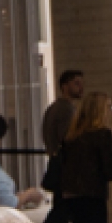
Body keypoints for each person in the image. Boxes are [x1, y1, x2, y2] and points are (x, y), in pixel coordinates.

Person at [51, 89, 112, 223]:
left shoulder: (71, 135)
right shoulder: (103, 134)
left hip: (71, 195)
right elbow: (110, 171)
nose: (111, 111)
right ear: (100, 111)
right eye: (109, 106)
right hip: (94, 195)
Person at [39, 68, 83, 202]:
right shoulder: (66, 110)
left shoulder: (53, 108)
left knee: (60, 205)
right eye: (76, 83)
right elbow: (67, 138)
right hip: (65, 166)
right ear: (65, 86)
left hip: (58, 161)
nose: (81, 87)